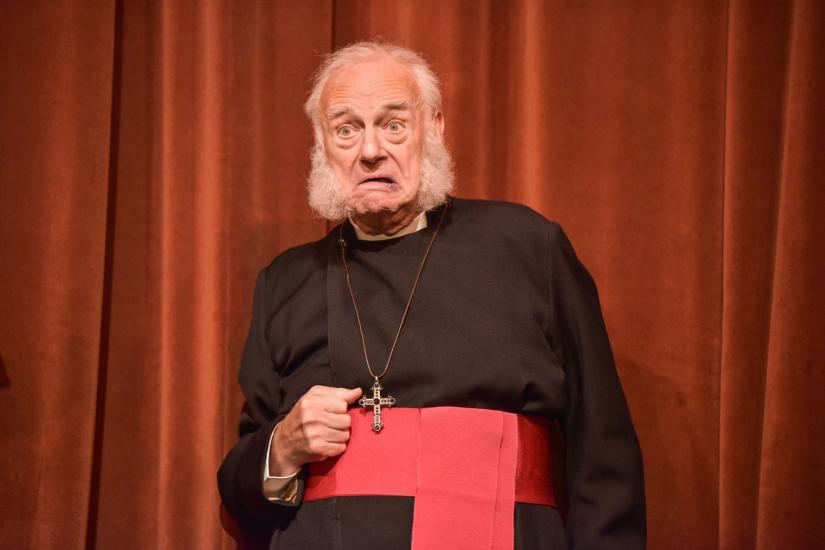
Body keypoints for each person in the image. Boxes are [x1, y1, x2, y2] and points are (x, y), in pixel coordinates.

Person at [218, 41, 645, 550]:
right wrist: (282, 447)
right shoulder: (285, 280)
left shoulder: (527, 246)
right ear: (322, 144)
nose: (370, 150)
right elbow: (238, 485)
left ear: (435, 128)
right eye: (347, 129)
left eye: (393, 124)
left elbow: (603, 448)